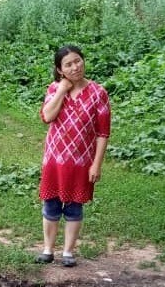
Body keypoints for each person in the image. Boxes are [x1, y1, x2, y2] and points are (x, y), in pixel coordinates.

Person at [35, 45, 111, 268]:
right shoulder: (54, 89)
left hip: (81, 162)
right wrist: (61, 90)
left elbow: (103, 133)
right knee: (51, 205)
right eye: (68, 64)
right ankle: (48, 250)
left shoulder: (98, 93)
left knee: (74, 208)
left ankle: (68, 252)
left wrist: (96, 164)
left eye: (77, 61)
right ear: (60, 70)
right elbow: (47, 117)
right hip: (54, 160)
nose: (75, 67)